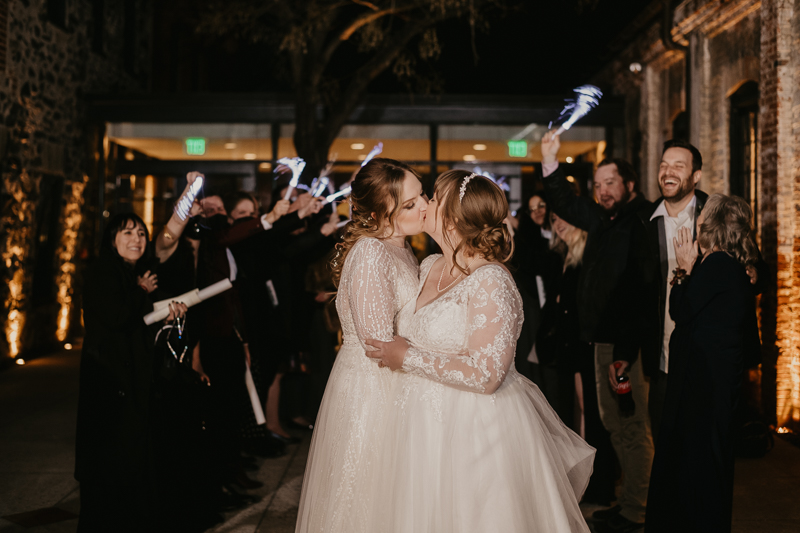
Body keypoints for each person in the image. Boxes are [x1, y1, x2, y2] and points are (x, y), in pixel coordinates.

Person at [364, 170, 594, 533]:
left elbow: (487, 374)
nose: (425, 204)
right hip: (419, 424)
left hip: (473, 429)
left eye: (434, 198)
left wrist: (408, 357)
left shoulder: (491, 280)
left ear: (453, 218)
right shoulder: (428, 266)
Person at [295, 158, 428, 533]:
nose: (424, 207)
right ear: (380, 212)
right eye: (410, 204)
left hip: (393, 379)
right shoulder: (371, 253)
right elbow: (377, 342)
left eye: (422, 196)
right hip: (373, 388)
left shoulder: (399, 246)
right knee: (367, 496)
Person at [541, 132, 655, 532]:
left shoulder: (640, 221)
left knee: (632, 426)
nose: (604, 191)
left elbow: (642, 293)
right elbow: (566, 203)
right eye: (599, 185)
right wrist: (550, 161)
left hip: (625, 348)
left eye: (611, 184)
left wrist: (624, 351)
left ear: (630, 185)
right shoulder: (607, 219)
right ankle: (628, 503)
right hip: (602, 342)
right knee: (613, 426)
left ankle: (638, 509)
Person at [645, 194, 760, 532]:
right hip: (712, 386)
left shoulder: (718, 265)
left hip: (702, 389)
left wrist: (681, 268)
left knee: (697, 470)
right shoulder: (730, 267)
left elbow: (681, 311)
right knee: (704, 468)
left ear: (711, 225)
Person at [640, 139, 768, 441]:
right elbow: (633, 289)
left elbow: (759, 271)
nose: (668, 172)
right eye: (663, 165)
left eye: (678, 166)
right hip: (662, 356)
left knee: (704, 446)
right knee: (666, 444)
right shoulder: (642, 221)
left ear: (696, 176)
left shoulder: (716, 215)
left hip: (709, 362)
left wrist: (751, 271)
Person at [76, 213, 187, 532]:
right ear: (112, 239)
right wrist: (141, 291)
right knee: (112, 468)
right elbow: (115, 317)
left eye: (141, 233)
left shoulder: (131, 273)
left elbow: (134, 326)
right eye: (127, 233)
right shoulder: (104, 272)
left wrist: (165, 319)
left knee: (131, 465)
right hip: (110, 386)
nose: (137, 239)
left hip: (128, 382)